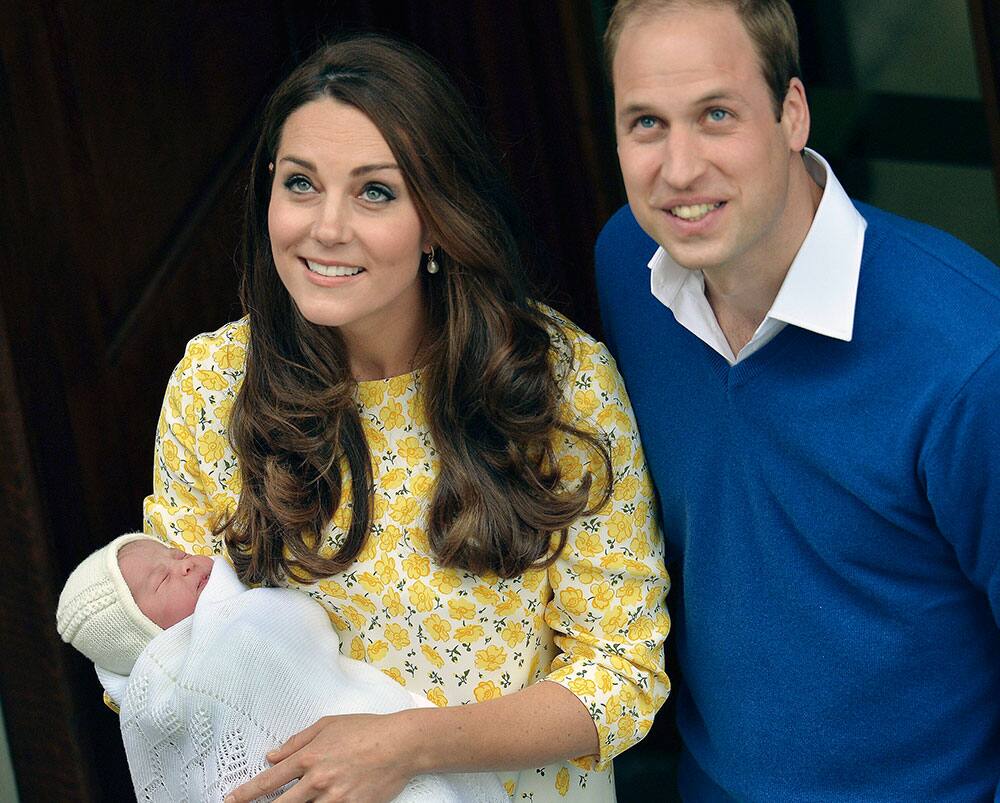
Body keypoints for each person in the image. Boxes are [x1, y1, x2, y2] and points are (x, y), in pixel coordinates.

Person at [143, 32, 670, 803]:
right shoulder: (214, 386)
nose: (326, 227)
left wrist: (404, 745)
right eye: (299, 184)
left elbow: (622, 674)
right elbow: (158, 663)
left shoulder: (556, 381)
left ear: (437, 218)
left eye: (375, 191)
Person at [595, 0, 1000, 800]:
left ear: (792, 113)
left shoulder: (966, 355)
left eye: (716, 114)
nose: (678, 170)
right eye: (646, 123)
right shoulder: (628, 266)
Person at [55, 533, 508, 802]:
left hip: (381, 761)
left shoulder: (236, 616)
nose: (188, 565)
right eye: (163, 578)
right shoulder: (177, 685)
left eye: (176, 555)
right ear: (143, 634)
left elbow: (300, 635)